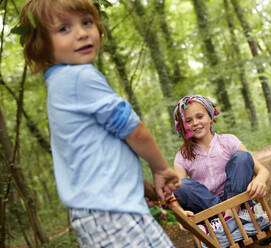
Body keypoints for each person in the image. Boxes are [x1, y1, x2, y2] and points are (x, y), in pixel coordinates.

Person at [20, 0, 180, 247]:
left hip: (102, 210)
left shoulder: (59, 83)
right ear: (42, 45)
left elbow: (102, 156)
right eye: (64, 28)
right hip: (111, 211)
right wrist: (160, 168)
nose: (82, 33)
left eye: (86, 22)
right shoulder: (78, 77)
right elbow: (135, 131)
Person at [172, 95, 270, 229]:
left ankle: (231, 214)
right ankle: (227, 218)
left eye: (200, 117)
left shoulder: (228, 141)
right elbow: (174, 193)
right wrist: (180, 213)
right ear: (183, 126)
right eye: (188, 120)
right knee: (180, 185)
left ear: (210, 117)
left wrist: (259, 180)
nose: (195, 123)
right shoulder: (182, 156)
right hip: (209, 209)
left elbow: (263, 171)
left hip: (237, 198)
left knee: (242, 157)